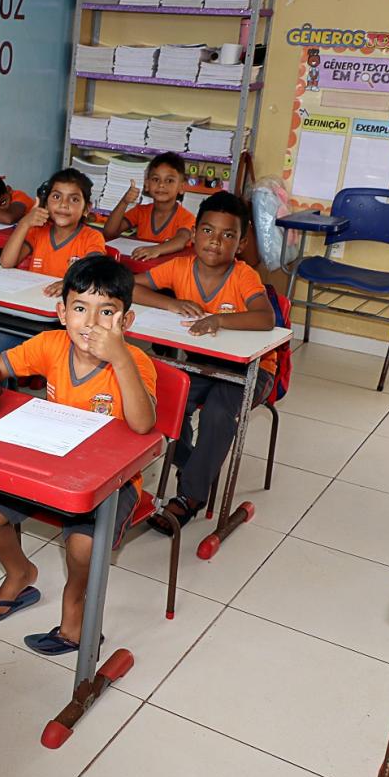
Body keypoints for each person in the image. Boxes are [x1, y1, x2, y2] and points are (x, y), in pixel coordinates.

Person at [0, 255, 156, 655]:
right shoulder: (51, 345)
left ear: (126, 321)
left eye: (107, 312)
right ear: (62, 313)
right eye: (80, 309)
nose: (92, 323)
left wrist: (121, 358)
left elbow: (142, 425)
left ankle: (75, 603)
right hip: (49, 467)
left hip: (112, 482)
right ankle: (20, 573)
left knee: (83, 546)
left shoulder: (135, 362)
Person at [132, 191, 276, 534]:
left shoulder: (243, 276)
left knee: (218, 412)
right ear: (194, 233)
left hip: (251, 370)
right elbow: (130, 287)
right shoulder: (180, 267)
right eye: (208, 231)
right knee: (164, 401)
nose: (215, 241)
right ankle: (197, 465)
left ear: (240, 244)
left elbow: (266, 318)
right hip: (203, 365)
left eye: (228, 235)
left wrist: (219, 320)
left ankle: (191, 495)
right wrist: (170, 303)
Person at [0, 168, 107, 361]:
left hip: (66, 325)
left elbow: (96, 268)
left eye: (74, 199)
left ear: (86, 208)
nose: (63, 204)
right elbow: (7, 262)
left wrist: (69, 282)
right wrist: (24, 224)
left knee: (59, 361)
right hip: (29, 317)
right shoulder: (38, 232)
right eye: (56, 197)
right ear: (45, 203)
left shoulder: (91, 237)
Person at [101, 152, 195, 260]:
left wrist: (156, 250)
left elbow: (180, 241)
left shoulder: (187, 217)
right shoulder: (140, 211)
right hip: (141, 265)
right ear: (147, 184)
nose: (161, 185)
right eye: (156, 179)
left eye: (169, 181)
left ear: (182, 187)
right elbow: (109, 233)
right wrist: (124, 202)